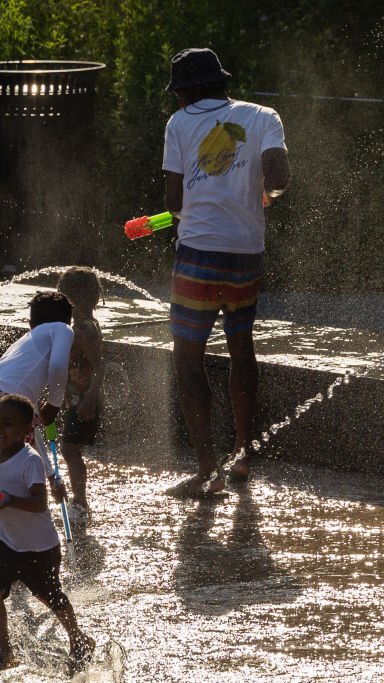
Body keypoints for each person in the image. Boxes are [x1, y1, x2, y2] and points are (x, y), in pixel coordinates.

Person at [162, 48, 290, 496]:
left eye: (179, 94)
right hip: (246, 254)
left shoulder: (180, 123)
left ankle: (206, 472)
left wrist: (190, 205)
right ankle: (242, 456)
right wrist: (264, 192)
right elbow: (278, 175)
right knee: (241, 349)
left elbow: (173, 201)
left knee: (188, 359)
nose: (179, 102)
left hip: (199, 254)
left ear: (189, 91)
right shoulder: (263, 116)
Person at [0, 394, 95, 673]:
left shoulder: (30, 461)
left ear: (24, 431)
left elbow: (40, 502)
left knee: (50, 595)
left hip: (39, 546)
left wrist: (9, 501)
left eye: (8, 424)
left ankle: (78, 639)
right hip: (6, 541)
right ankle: (6, 651)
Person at [0, 291, 71, 561]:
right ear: (68, 320)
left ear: (30, 322)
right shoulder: (61, 328)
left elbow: (32, 437)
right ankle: (24, 555)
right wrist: (55, 404)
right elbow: (59, 367)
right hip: (5, 398)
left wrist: (51, 476)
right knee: (24, 476)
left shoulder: (28, 339)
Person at [56, 266, 104, 523]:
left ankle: (80, 503)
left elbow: (99, 367)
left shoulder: (83, 329)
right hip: (76, 399)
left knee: (70, 450)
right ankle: (79, 501)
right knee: (71, 449)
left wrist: (90, 399)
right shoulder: (82, 324)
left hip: (83, 400)